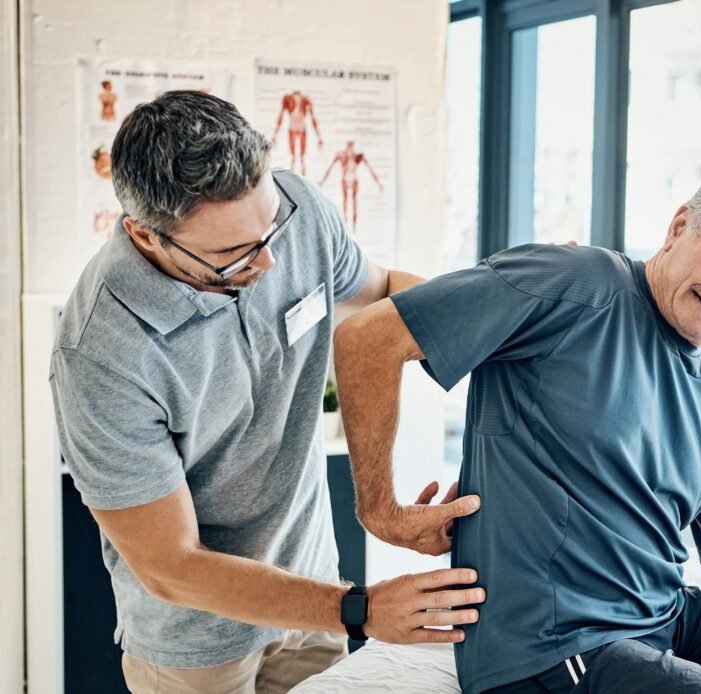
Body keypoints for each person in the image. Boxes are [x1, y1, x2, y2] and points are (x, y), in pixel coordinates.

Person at [333, 163, 701, 694]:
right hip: (552, 641)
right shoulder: (572, 281)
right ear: (679, 227)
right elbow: (368, 338)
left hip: (664, 613)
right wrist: (380, 510)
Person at [49, 90, 483, 694]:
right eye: (234, 255)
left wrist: (500, 316)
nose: (273, 262)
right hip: (197, 642)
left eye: (271, 227)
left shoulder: (295, 210)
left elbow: (385, 291)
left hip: (315, 591)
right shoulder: (102, 352)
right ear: (146, 237)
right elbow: (171, 565)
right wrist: (360, 610)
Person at [319, 140, 383, 233]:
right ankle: (345, 227)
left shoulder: (358, 157)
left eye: (351, 146)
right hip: (345, 180)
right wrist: (322, 181)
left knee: (354, 203)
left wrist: (378, 183)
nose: (350, 149)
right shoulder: (342, 156)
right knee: (345, 203)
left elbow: (370, 169)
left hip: (354, 181)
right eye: (349, 146)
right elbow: (330, 168)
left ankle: (354, 228)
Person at [273, 89, 323, 176]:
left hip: (300, 128)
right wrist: (275, 135)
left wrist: (319, 137)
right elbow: (281, 116)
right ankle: (294, 178)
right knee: (295, 158)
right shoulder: (289, 99)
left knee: (300, 158)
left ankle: (300, 179)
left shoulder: (305, 100)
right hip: (295, 128)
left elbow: (313, 118)